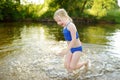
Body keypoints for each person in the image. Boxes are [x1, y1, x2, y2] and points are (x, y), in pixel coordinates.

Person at [53, 8, 89, 73]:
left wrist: (66, 50)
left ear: (65, 17)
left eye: (60, 20)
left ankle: (85, 62)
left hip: (77, 49)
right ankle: (72, 76)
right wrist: (63, 51)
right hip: (70, 49)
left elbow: (74, 39)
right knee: (66, 65)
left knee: (72, 67)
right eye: (57, 21)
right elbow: (68, 40)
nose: (58, 23)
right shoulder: (65, 27)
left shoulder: (71, 25)